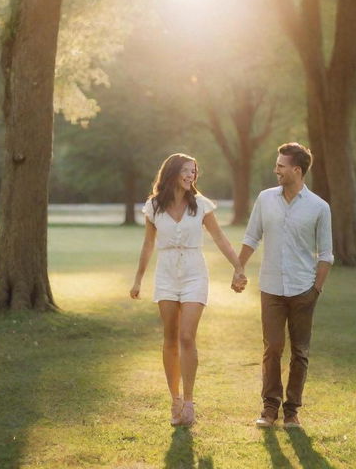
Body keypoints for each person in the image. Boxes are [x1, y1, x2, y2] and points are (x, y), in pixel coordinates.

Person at [130, 153, 247, 426]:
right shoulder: (153, 207)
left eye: (193, 171)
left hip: (195, 272)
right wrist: (138, 280)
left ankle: (190, 402)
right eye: (185, 170)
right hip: (167, 273)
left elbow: (219, 237)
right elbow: (148, 245)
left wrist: (238, 266)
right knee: (170, 337)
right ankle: (175, 400)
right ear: (172, 173)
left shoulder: (201, 205)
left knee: (186, 336)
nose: (190, 176)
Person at [234, 142, 333, 430]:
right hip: (271, 289)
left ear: (296, 170)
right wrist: (238, 269)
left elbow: (326, 254)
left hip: (304, 290)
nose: (275, 169)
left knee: (300, 352)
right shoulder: (265, 199)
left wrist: (316, 289)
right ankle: (269, 408)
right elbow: (252, 237)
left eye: (281, 165)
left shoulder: (319, 207)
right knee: (273, 348)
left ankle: (292, 411)